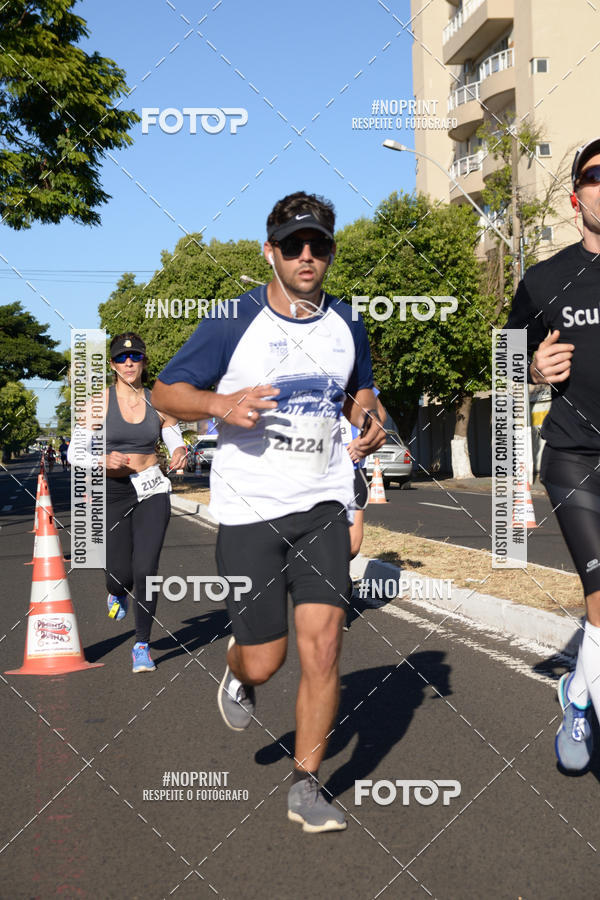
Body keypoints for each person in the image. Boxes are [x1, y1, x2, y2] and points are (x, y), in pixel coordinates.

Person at [152, 191, 386, 832]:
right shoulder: (234, 319)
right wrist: (218, 405)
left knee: (325, 648)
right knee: (267, 659)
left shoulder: (347, 322)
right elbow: (165, 390)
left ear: (331, 253)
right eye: (293, 246)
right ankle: (238, 669)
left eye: (319, 246)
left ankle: (305, 784)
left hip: (323, 506)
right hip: (251, 510)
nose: (307, 256)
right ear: (271, 252)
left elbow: (360, 390)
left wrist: (370, 421)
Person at [506, 137, 600, 771]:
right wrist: (534, 367)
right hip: (574, 456)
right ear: (576, 199)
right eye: (597, 175)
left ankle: (577, 691)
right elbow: (508, 357)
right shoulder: (544, 279)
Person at [69, 333, 187, 673]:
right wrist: (102, 459)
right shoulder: (97, 404)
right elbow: (75, 452)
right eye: (122, 358)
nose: (129, 363)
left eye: (135, 356)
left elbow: (172, 436)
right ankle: (116, 590)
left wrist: (178, 451)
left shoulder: (157, 401)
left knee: (146, 568)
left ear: (144, 362)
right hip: (113, 492)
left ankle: (141, 645)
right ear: (112, 365)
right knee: (119, 573)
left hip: (152, 489)